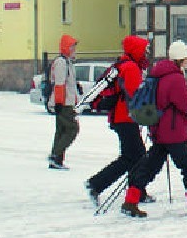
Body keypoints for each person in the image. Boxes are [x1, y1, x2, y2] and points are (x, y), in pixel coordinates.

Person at [121, 40, 187, 218]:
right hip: (173, 131)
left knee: (149, 168)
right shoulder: (175, 78)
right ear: (181, 59)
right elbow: (186, 104)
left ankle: (131, 199)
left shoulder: (157, 74)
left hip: (159, 129)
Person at [85, 35, 155, 206]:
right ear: (136, 50)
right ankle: (96, 184)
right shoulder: (130, 68)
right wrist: (151, 117)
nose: (146, 53)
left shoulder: (123, 65)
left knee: (135, 156)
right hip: (125, 118)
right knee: (133, 157)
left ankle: (137, 192)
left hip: (121, 117)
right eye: (144, 49)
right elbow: (136, 96)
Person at [48, 35, 80, 169]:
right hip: (64, 103)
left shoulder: (67, 62)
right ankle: (55, 155)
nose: (74, 49)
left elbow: (68, 83)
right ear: (66, 47)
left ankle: (56, 160)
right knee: (73, 128)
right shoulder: (62, 62)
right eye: (72, 46)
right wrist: (60, 102)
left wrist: (77, 87)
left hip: (66, 102)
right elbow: (59, 84)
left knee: (61, 130)